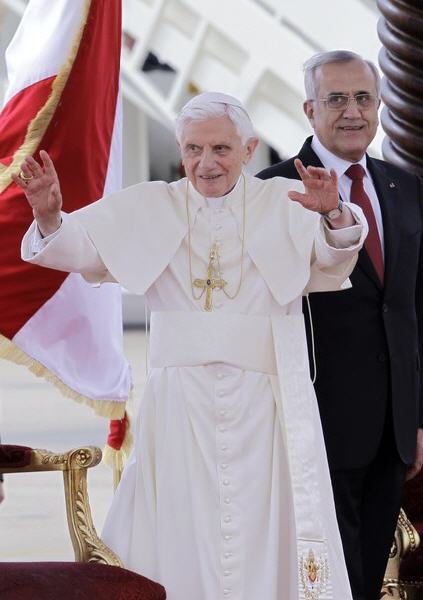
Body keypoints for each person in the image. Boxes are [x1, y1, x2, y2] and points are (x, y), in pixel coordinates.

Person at [16, 92, 367, 600]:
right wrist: (50, 216)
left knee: (264, 527)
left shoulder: (285, 201)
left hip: (264, 410)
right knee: (181, 525)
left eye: (221, 149)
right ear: (181, 150)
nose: (206, 163)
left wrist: (333, 212)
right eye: (193, 149)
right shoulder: (151, 205)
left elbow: (335, 257)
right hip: (179, 408)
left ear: (248, 150)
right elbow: (82, 248)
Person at [257, 51, 423, 600]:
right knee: (322, 578)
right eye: (336, 99)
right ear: (309, 109)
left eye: (362, 99)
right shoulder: (274, 191)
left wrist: (417, 418)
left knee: (367, 573)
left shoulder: (404, 187)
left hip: (392, 427)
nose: (352, 112)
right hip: (314, 418)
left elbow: (412, 308)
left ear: (378, 106)